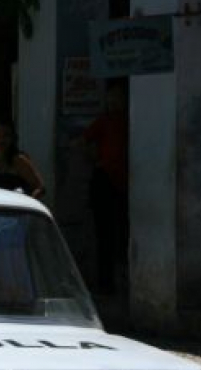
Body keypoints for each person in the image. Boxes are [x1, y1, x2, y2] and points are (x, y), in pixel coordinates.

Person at [83, 80, 129, 295]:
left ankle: (123, 277)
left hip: (125, 182)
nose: (113, 102)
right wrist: (95, 159)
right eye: (110, 98)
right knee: (105, 234)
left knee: (123, 233)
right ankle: (105, 282)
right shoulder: (105, 121)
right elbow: (82, 142)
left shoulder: (129, 120)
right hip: (105, 181)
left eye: (117, 97)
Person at [0, 121, 45, 199]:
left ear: (12, 138)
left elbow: (40, 188)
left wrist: (28, 203)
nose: (1, 140)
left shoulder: (19, 161)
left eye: (6, 135)